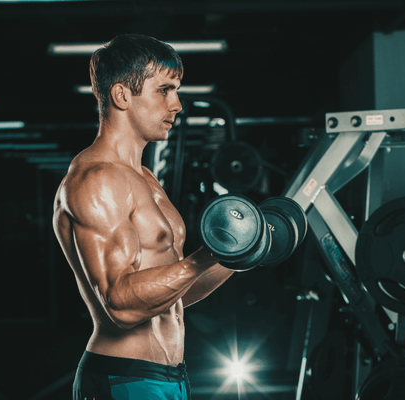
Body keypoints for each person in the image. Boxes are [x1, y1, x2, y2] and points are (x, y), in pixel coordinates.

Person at [52, 34, 234, 400]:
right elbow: (120, 304)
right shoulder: (96, 179)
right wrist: (205, 256)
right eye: (164, 90)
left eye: (176, 90)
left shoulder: (145, 178)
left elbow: (175, 292)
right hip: (124, 378)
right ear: (122, 96)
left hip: (169, 376)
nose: (177, 104)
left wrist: (238, 255)